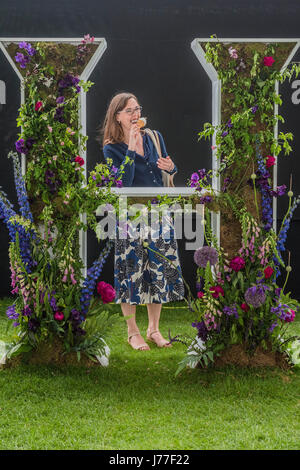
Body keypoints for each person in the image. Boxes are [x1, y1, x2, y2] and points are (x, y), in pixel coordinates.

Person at [101, 92, 184, 351]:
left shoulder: (154, 137)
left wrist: (171, 167)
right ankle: (132, 331)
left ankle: (153, 329)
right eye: (129, 111)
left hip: (159, 212)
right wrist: (129, 148)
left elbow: (167, 170)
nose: (135, 114)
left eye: (137, 109)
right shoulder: (111, 147)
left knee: (158, 271)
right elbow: (122, 183)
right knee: (131, 272)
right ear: (117, 117)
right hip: (129, 215)